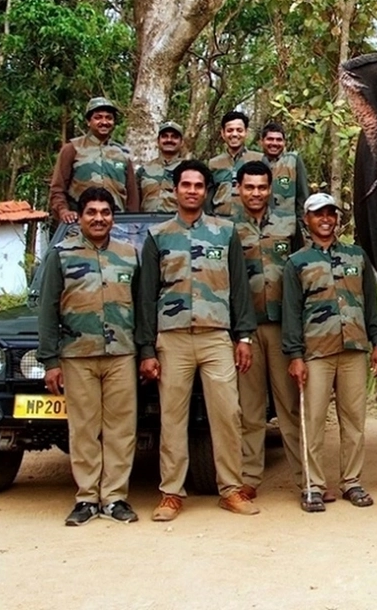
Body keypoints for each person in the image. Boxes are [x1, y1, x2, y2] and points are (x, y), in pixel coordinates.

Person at [136, 159, 259, 521]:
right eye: (186, 185)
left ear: (207, 191)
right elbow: (146, 296)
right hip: (172, 339)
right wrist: (146, 349)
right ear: (175, 190)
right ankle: (171, 493)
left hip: (216, 336)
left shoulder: (225, 232)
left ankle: (231, 489)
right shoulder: (158, 236)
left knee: (227, 413)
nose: (192, 191)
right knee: (172, 418)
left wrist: (245, 337)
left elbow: (239, 289)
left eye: (199, 185)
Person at [37, 187, 141, 526]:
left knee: (121, 429)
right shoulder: (62, 254)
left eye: (105, 212)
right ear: (79, 217)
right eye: (91, 212)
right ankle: (86, 498)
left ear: (113, 217)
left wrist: (145, 351)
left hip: (121, 354)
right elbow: (48, 308)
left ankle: (114, 498)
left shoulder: (129, 254)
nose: (99, 218)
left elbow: (141, 307)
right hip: (77, 355)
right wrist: (50, 360)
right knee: (83, 429)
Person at [283, 193, 377, 512]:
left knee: (353, 420)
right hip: (316, 352)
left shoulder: (357, 256)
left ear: (337, 218)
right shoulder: (297, 262)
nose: (325, 219)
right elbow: (291, 311)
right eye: (318, 214)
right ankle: (313, 485)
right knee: (313, 420)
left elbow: (370, 302)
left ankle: (352, 482)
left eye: (330, 213)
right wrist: (295, 355)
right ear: (307, 220)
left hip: (354, 348)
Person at [233, 160, 305, 500]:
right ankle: (248, 478)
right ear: (239, 189)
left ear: (271, 188)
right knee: (250, 409)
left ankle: (307, 479)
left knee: (290, 407)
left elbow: (302, 269)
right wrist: (239, 334)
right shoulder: (226, 228)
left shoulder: (288, 224)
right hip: (245, 330)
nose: (256, 193)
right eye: (250, 187)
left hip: (281, 328)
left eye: (262, 187)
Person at [49, 96, 140, 224]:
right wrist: (63, 211)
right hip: (80, 223)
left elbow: (132, 196)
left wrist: (133, 226)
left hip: (117, 225)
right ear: (88, 121)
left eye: (109, 118)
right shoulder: (72, 149)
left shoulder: (123, 153)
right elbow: (57, 189)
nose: (104, 122)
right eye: (98, 117)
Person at [208, 110, 264, 217]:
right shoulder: (214, 163)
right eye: (230, 130)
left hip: (249, 222)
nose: (234, 134)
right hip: (220, 221)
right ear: (223, 133)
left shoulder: (259, 160)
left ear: (246, 132)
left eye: (239, 130)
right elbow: (208, 197)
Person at [259, 121, 310, 226]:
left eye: (279, 140)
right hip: (260, 226)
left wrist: (300, 225)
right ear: (262, 141)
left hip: (287, 225)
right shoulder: (254, 161)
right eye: (270, 139)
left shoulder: (293, 160)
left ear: (284, 142)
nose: (274, 143)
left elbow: (303, 196)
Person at [137, 121, 185, 213]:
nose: (169, 140)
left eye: (174, 137)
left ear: (181, 142)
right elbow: (134, 201)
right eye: (165, 136)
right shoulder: (144, 170)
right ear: (158, 141)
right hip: (147, 222)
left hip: (177, 223)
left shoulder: (190, 170)